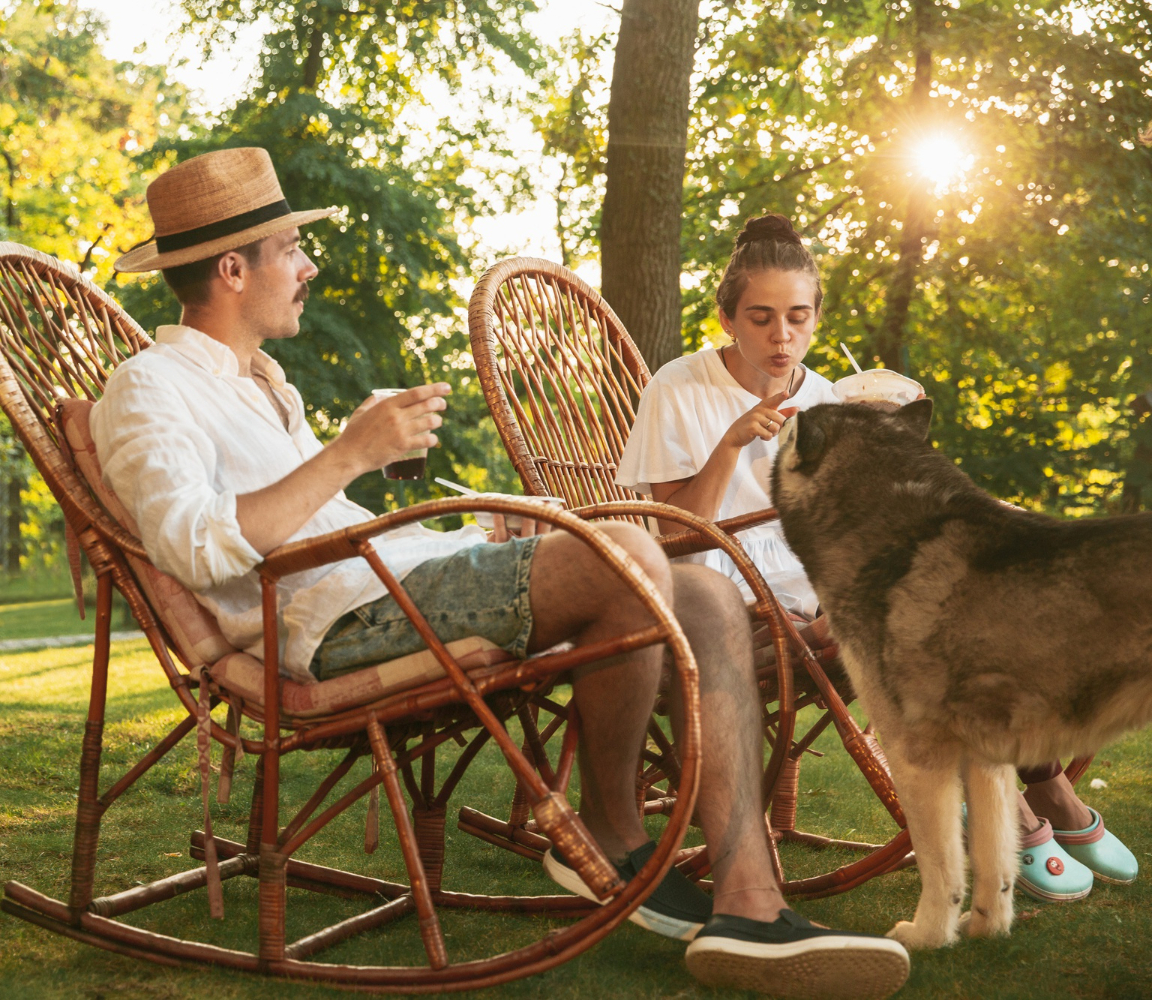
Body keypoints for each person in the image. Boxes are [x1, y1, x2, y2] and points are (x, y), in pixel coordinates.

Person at [92, 149, 910, 998]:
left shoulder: (266, 386)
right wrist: (349, 454)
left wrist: (470, 533)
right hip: (337, 627)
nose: (307, 266)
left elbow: (329, 527)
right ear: (233, 268)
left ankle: (749, 903)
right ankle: (608, 829)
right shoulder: (148, 387)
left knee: (698, 585)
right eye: (292, 248)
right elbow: (197, 544)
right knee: (628, 551)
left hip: (391, 583)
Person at [616, 212, 1137, 902]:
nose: (782, 338)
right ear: (727, 317)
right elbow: (677, 531)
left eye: (798, 318)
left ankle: (1047, 789)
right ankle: (1021, 815)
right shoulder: (677, 389)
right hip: (721, 582)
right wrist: (732, 442)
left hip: (817, 574)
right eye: (762, 318)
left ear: (816, 317)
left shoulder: (825, 396)